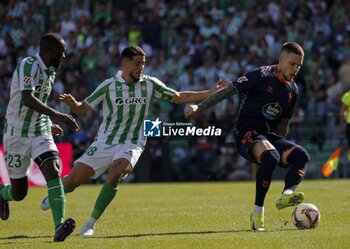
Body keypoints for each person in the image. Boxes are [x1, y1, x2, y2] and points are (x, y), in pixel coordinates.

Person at [40, 45, 226, 236]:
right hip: (105, 141)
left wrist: (210, 92)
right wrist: (74, 105)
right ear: (125, 64)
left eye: (143, 64)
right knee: (72, 182)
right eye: (137, 64)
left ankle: (90, 224)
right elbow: (83, 109)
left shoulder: (150, 84)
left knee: (116, 172)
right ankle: (58, 191)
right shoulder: (108, 86)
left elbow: (179, 97)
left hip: (133, 142)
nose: (141, 68)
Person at [186, 41, 310, 231]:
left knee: (302, 155)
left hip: (269, 136)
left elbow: (283, 123)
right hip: (246, 132)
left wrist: (281, 144)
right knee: (271, 156)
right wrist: (200, 107)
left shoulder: (292, 90)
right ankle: (257, 214)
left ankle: (287, 194)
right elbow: (228, 91)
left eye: (299, 66)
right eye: (292, 64)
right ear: (281, 60)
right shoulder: (260, 75)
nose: (295, 69)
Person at [0, 33, 80, 242]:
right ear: (52, 51)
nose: (64, 57)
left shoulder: (50, 71)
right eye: (62, 53)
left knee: (53, 171)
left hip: (39, 131)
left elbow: (37, 103)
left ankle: (59, 227)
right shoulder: (29, 65)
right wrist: (59, 115)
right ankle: (2, 194)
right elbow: (27, 98)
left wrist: (48, 123)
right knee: (19, 193)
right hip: (16, 134)